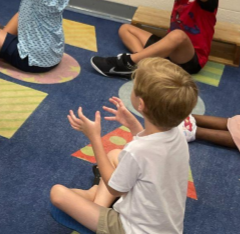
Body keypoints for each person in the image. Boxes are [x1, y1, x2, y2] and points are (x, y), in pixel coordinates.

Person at [51, 59, 200, 234]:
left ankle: (96, 205)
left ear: (141, 104)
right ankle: (95, 200)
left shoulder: (136, 151)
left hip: (131, 229)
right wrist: (133, 124)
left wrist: (95, 138)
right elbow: (150, 151)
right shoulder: (177, 135)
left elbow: (115, 187)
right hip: (166, 228)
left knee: (57, 193)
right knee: (115, 154)